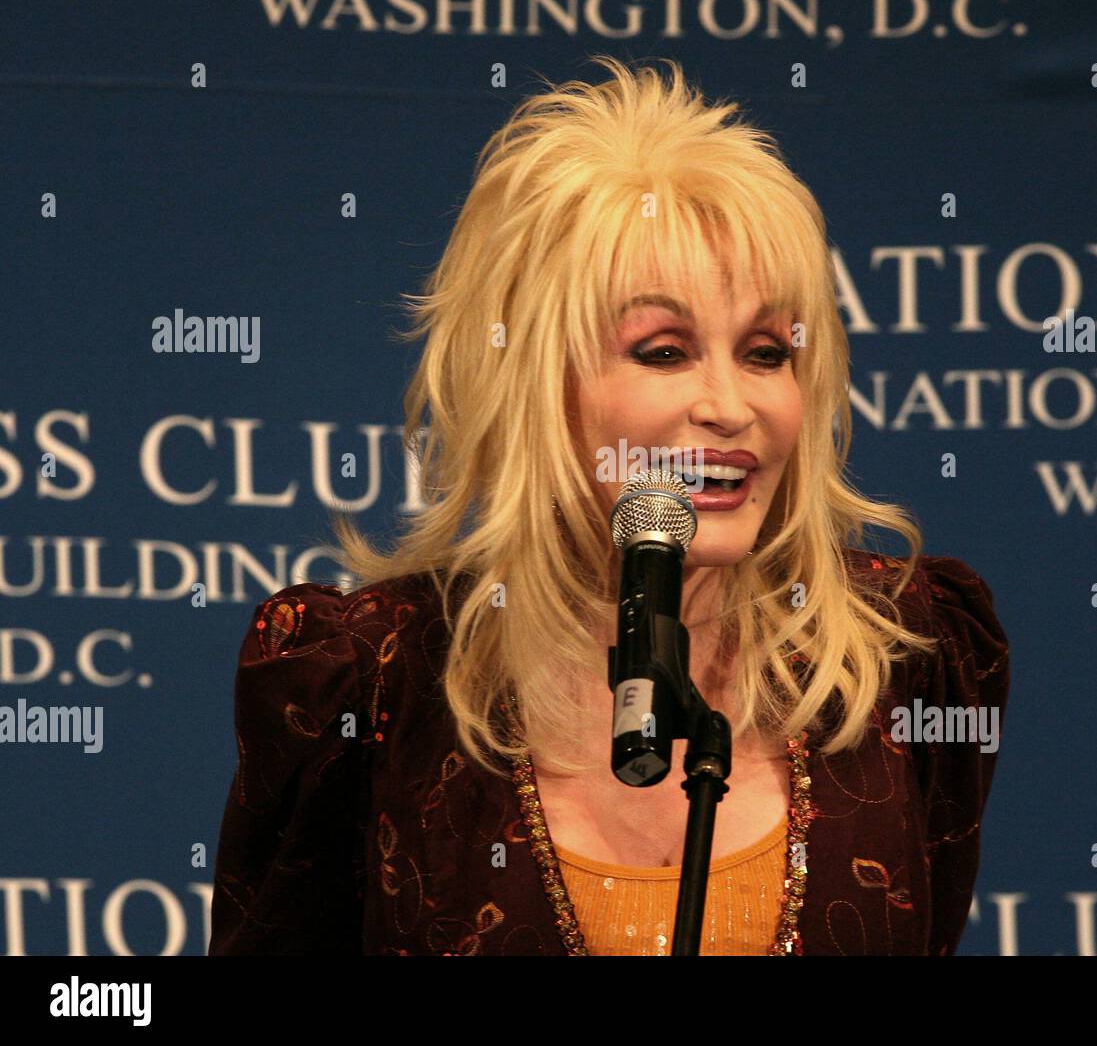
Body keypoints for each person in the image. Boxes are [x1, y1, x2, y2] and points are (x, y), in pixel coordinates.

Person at [207, 55, 1010, 956]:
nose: (731, 405)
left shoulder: (903, 655)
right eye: (664, 351)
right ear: (537, 383)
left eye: (765, 351)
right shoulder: (371, 683)